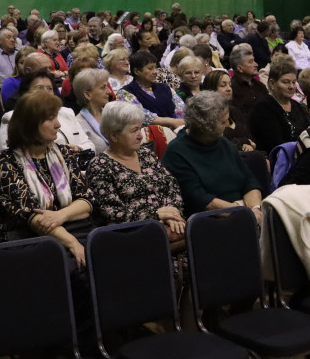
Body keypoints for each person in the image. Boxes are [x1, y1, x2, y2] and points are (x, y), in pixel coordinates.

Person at [0, 91, 95, 265]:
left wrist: (60, 215)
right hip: (30, 241)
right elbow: (35, 219)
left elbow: (86, 202)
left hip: (72, 228)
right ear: (29, 125)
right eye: (50, 119)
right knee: (75, 267)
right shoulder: (7, 164)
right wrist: (72, 243)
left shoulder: (64, 153)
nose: (58, 124)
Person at [86, 101, 185, 241]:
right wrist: (156, 216)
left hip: (170, 226)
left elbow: (172, 186)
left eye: (140, 129)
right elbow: (112, 213)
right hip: (132, 236)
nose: (140, 136)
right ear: (114, 135)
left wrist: (173, 214)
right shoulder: (100, 166)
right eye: (134, 131)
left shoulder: (146, 154)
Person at [161, 91, 263, 220]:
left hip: (242, 211)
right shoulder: (176, 152)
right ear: (205, 126)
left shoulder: (223, 143)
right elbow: (202, 201)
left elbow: (249, 182)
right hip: (211, 220)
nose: (227, 125)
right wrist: (244, 213)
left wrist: (255, 209)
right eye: (222, 122)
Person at [0, 70, 94, 153]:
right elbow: (8, 152)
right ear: (26, 93)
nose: (46, 92)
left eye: (50, 88)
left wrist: (78, 148)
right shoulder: (12, 117)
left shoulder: (67, 112)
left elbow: (89, 145)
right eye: (39, 88)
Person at [249, 59, 310, 154]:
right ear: (272, 84)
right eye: (286, 82)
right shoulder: (263, 108)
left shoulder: (297, 105)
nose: (291, 86)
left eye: (294, 82)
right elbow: (275, 145)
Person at [117, 51, 185, 130]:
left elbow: (180, 108)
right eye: (150, 68)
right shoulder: (125, 93)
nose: (155, 72)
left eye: (155, 67)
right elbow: (141, 116)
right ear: (137, 71)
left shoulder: (165, 88)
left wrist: (179, 124)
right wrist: (172, 122)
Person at [201, 68, 254, 150]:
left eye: (230, 85)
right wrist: (243, 143)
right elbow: (216, 144)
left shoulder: (234, 111)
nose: (229, 89)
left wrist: (249, 144)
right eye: (223, 85)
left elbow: (251, 140)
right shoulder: (206, 116)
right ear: (211, 89)